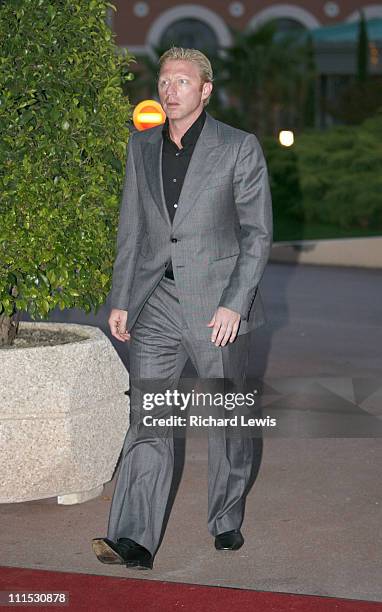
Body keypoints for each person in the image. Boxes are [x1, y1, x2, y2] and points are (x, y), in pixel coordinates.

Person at [92, 47, 272, 570]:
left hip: (218, 309)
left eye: (182, 82)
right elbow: (133, 230)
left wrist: (235, 304)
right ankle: (133, 538)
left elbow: (258, 235)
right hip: (157, 304)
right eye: (165, 81)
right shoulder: (141, 146)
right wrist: (122, 298)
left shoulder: (238, 147)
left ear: (205, 90)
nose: (170, 91)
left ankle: (226, 515)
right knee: (148, 418)